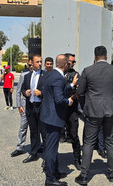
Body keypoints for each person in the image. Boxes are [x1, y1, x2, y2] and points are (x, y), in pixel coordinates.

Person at [75, 46, 113, 185]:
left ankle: (84, 176)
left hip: (93, 112)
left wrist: (86, 106)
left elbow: (80, 92)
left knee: (89, 142)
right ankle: (112, 175)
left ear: (95, 56)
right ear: (106, 56)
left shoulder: (88, 70)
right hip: (110, 111)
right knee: (110, 141)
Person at [40, 55, 77, 186]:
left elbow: (58, 89)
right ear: (65, 64)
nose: (71, 65)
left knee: (52, 148)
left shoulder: (51, 74)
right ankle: (50, 179)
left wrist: (71, 85)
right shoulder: (58, 78)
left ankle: (54, 173)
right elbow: (59, 99)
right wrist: (69, 101)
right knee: (51, 150)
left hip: (47, 116)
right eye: (70, 63)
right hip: (53, 118)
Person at [21, 54, 46, 163]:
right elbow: (22, 89)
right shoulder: (27, 76)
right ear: (32, 63)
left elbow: (50, 92)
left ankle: (47, 157)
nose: (40, 64)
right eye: (38, 62)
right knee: (33, 131)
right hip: (30, 107)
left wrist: (41, 93)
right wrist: (25, 92)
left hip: (41, 108)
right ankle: (34, 153)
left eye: (41, 61)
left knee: (44, 133)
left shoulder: (46, 76)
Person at [61, 53, 82, 170]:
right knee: (55, 136)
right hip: (60, 110)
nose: (73, 64)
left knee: (74, 135)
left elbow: (79, 90)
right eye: (71, 61)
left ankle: (77, 158)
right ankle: (50, 160)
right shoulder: (59, 73)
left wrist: (72, 98)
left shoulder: (76, 74)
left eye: (74, 62)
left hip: (72, 109)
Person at [11, 60, 33, 157]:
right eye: (30, 65)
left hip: (36, 106)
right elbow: (18, 91)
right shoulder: (24, 75)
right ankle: (20, 147)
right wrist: (19, 105)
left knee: (36, 128)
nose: (31, 66)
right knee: (23, 127)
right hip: (25, 106)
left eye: (33, 64)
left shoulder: (40, 74)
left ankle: (37, 146)